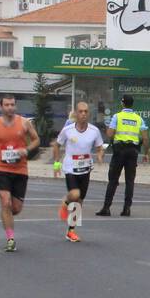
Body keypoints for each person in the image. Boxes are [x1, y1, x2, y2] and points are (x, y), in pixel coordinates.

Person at [0, 95, 40, 253]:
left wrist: (26, 150)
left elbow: (36, 140)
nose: (10, 108)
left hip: (20, 169)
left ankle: (6, 215)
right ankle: (10, 238)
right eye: (7, 105)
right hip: (1, 169)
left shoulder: (24, 123)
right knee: (5, 202)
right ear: (1, 107)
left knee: (16, 208)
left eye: (12, 104)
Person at [53, 102, 106, 243]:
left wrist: (100, 155)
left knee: (79, 202)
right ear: (76, 113)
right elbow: (57, 145)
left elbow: (100, 147)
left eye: (86, 111)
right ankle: (65, 202)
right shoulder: (68, 130)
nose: (83, 114)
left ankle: (71, 231)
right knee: (74, 194)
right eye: (81, 111)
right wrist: (57, 164)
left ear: (89, 114)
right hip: (70, 167)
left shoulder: (94, 131)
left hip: (85, 168)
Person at [96, 94, 149, 217]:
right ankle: (126, 209)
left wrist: (108, 129)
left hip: (119, 151)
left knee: (113, 180)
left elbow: (109, 134)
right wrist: (146, 153)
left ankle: (106, 207)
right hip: (133, 152)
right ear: (132, 104)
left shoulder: (117, 117)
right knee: (130, 181)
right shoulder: (138, 118)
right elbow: (145, 138)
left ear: (122, 103)